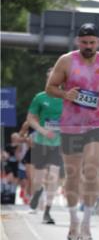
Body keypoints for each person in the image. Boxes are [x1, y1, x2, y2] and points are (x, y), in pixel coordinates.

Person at [46, 23, 99, 240]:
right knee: (72, 175)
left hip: (97, 124)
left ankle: (87, 224)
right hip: (71, 125)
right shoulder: (66, 60)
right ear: (78, 41)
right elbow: (50, 87)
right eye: (84, 43)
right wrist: (65, 93)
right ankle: (73, 222)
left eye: (92, 43)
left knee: (91, 171)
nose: (88, 46)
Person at [26, 69, 63, 224]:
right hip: (41, 142)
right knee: (38, 179)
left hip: (59, 143)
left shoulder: (67, 98)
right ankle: (38, 191)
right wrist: (42, 130)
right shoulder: (40, 98)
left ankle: (47, 210)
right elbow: (30, 118)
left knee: (53, 176)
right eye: (51, 78)